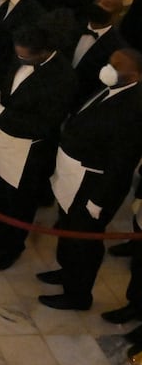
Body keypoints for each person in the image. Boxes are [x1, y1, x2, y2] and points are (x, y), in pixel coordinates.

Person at [0, 24, 75, 271]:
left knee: (18, 202)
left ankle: (11, 247)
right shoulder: (21, 56)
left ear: (45, 52)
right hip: (0, 138)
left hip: (27, 149)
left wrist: (1, 112)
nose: (20, 58)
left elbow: (45, 124)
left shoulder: (62, 78)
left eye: (25, 56)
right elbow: (6, 78)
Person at [40, 49, 142, 310]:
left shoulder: (133, 109)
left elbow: (121, 163)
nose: (110, 68)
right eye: (111, 62)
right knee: (67, 229)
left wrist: (99, 200)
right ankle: (66, 272)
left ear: (135, 75)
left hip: (93, 186)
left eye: (118, 66)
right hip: (73, 175)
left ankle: (78, 294)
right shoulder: (109, 88)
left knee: (84, 241)